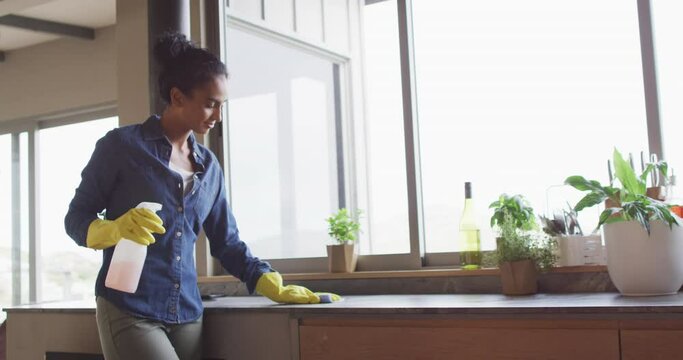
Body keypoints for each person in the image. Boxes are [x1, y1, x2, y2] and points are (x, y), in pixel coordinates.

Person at [64, 32, 339, 360]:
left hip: (188, 314)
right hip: (129, 307)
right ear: (178, 97)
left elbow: (227, 242)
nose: (218, 116)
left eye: (222, 105)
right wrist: (114, 229)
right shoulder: (122, 147)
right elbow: (76, 219)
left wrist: (270, 283)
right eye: (210, 103)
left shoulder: (208, 167)